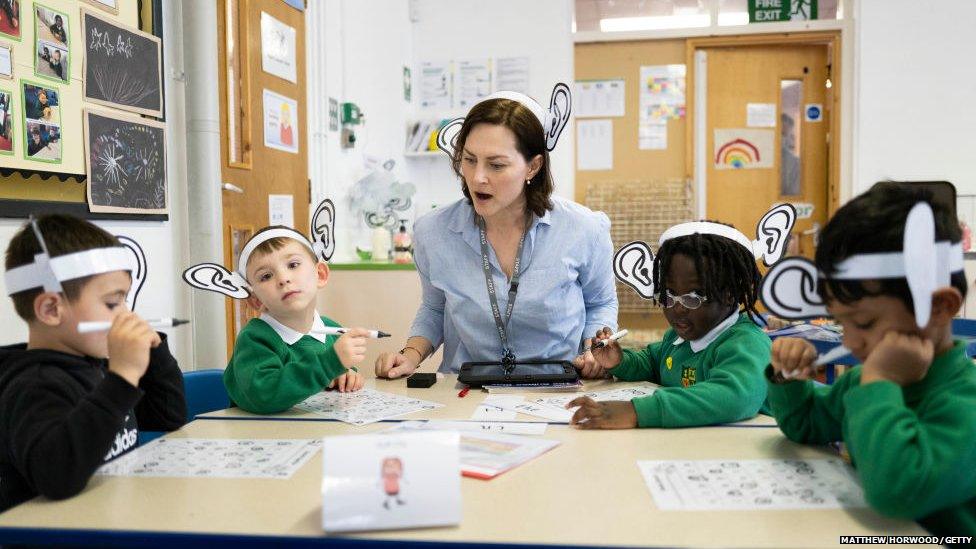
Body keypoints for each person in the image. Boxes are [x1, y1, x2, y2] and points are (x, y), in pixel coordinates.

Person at [767, 183, 975, 537]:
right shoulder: (861, 380)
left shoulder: (964, 403)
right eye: (839, 321)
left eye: (863, 323)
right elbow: (806, 425)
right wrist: (788, 378)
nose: (849, 341)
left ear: (940, 307)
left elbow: (897, 494)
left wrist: (880, 382)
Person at [374, 86, 617, 376]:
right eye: (469, 159)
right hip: (465, 390)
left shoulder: (584, 229)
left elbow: (600, 302)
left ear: (533, 166)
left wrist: (594, 349)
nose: (478, 177)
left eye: (496, 165)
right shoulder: (433, 231)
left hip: (556, 386)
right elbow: (435, 308)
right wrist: (410, 356)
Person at [0, 214, 186, 511]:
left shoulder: (96, 365)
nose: (126, 314)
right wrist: (123, 377)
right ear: (51, 309)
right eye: (113, 303)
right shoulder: (33, 385)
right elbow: (57, 478)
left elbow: (168, 417)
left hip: (109, 517)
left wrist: (153, 353)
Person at [567, 221, 771, 429]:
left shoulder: (747, 343)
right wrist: (620, 360)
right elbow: (652, 363)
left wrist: (637, 411)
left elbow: (733, 397)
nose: (678, 309)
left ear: (728, 295)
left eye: (692, 299)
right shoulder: (676, 339)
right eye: (669, 296)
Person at [223, 226, 367, 415]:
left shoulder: (332, 329)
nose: (283, 279)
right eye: (266, 276)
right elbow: (264, 395)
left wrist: (347, 375)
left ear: (320, 275)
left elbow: (339, 372)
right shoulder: (255, 339)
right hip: (267, 439)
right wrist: (329, 364)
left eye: (292, 265)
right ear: (256, 299)